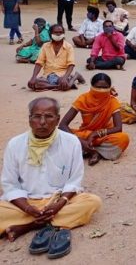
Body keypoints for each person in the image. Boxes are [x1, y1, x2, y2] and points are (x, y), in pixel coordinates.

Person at [0, 97, 102, 254]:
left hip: (58, 201)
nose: (42, 122)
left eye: (48, 116)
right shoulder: (15, 144)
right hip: (25, 202)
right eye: (37, 116)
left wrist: (59, 204)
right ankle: (49, 222)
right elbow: (10, 184)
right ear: (29, 119)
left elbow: (74, 180)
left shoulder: (71, 141)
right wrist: (28, 208)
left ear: (57, 119)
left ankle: (29, 226)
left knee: (92, 202)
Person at [58, 74, 130, 165]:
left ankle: (90, 151)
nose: (101, 90)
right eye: (98, 87)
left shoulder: (112, 101)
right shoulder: (83, 99)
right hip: (85, 135)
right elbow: (63, 125)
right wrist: (80, 140)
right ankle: (91, 150)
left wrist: (96, 133)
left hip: (103, 136)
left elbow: (118, 128)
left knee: (123, 138)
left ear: (109, 88)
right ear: (92, 86)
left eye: (105, 88)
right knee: (59, 135)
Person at [28, 24, 85, 91]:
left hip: (62, 74)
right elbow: (39, 63)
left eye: (60, 32)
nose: (58, 34)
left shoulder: (68, 47)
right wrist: (33, 77)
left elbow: (71, 65)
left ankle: (74, 77)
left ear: (63, 34)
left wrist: (64, 78)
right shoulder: (45, 46)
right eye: (56, 32)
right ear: (50, 34)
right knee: (32, 84)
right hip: (48, 75)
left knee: (62, 82)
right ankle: (62, 85)